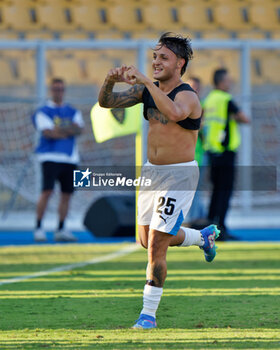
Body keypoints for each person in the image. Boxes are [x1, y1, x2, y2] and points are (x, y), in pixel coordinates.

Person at [98, 32, 220, 329]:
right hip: (152, 173)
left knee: (155, 246)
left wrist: (145, 82)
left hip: (178, 175)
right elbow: (106, 103)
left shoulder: (187, 95)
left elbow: (176, 113)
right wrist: (110, 80)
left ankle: (147, 316)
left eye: (163, 57)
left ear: (180, 63)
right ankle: (201, 237)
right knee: (145, 239)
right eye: (154, 57)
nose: (155, 62)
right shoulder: (147, 91)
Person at [33, 78, 84, 242]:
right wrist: (67, 130)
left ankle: (61, 228)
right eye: (56, 89)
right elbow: (48, 133)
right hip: (50, 157)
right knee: (46, 192)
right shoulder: (43, 111)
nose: (58, 92)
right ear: (51, 90)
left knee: (67, 194)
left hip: (70, 158)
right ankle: (39, 227)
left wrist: (59, 130)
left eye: (61, 89)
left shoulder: (73, 111)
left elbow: (78, 130)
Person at [203, 68, 250, 241]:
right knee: (225, 191)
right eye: (228, 80)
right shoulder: (226, 99)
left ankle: (210, 225)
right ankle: (221, 228)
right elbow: (245, 118)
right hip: (226, 152)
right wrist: (235, 119)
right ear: (221, 82)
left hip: (212, 151)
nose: (230, 84)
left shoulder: (208, 100)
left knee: (216, 191)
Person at [185, 77, 207, 226]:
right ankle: (194, 219)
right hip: (184, 155)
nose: (195, 91)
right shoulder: (181, 106)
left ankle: (195, 219)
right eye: (192, 87)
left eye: (197, 88)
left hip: (199, 154)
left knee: (195, 189)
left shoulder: (203, 106)